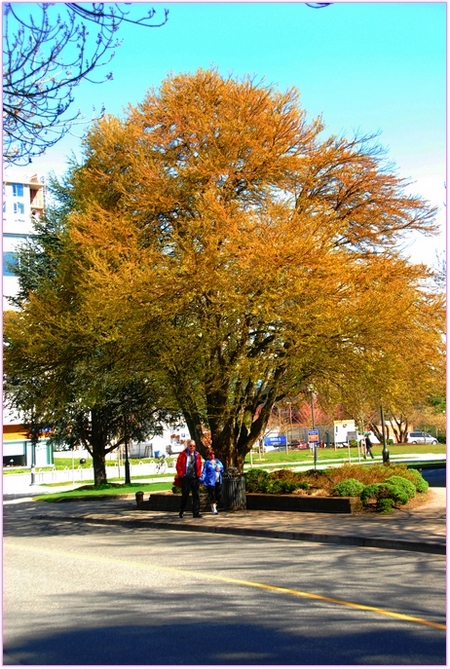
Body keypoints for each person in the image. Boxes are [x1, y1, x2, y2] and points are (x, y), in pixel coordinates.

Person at [175, 440, 203, 518]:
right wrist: (181, 474)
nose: (192, 447)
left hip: (194, 477)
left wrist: (199, 474)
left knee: (196, 495)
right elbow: (178, 465)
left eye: (194, 446)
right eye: (190, 446)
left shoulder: (197, 455)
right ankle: (181, 510)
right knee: (185, 495)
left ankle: (196, 512)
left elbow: (199, 465)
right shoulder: (183, 454)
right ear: (187, 446)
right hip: (186, 477)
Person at [200, 449, 224, 514]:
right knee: (212, 495)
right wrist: (202, 480)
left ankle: (214, 505)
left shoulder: (218, 461)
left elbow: (222, 468)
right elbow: (204, 472)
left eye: (213, 454)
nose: (212, 455)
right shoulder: (207, 463)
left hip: (218, 480)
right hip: (210, 481)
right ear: (208, 455)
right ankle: (214, 508)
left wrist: (220, 469)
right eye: (210, 454)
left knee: (218, 494)